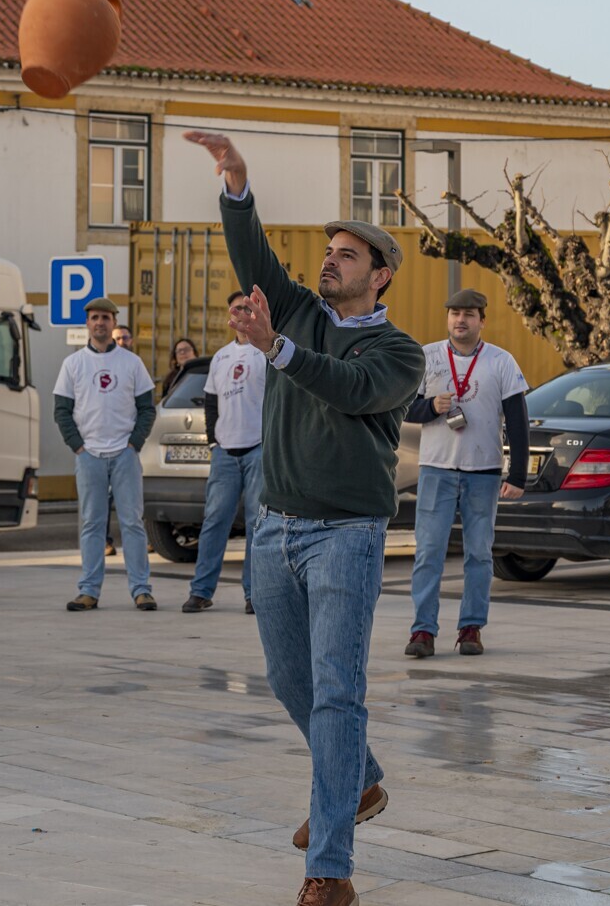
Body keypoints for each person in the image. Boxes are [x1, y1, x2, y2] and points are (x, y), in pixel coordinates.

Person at [188, 128, 424, 906]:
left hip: (346, 536)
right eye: (328, 251)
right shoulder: (295, 308)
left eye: (347, 255)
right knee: (288, 680)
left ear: (380, 275)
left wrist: (276, 350)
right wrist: (236, 183)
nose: (330, 261)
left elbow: (349, 389)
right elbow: (251, 255)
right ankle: (360, 779)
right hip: (274, 527)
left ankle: (329, 869)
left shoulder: (400, 353)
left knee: (337, 692)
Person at [403, 289, 530, 658]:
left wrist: (518, 476)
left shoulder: (501, 361)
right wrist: (430, 406)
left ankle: (471, 628)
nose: (461, 320)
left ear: (482, 321)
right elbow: (402, 408)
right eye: (455, 313)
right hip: (436, 469)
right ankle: (423, 631)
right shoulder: (427, 357)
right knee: (428, 552)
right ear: (447, 318)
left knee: (479, 553)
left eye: (469, 314)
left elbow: (518, 422)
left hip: (483, 471)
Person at [54, 297, 158, 612]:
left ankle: (141, 590)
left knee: (133, 524)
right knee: (91, 524)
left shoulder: (131, 363)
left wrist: (134, 443)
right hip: (89, 455)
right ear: (87, 323)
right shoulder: (73, 364)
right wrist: (77, 445)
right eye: (95, 317)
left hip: (125, 454)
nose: (100, 322)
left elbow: (147, 409)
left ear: (114, 322)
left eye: (105, 318)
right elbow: (62, 410)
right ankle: (88, 591)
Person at [183, 291, 266, 615]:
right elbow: (211, 403)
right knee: (215, 521)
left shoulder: (265, 353)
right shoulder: (220, 357)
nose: (241, 313)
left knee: (257, 524)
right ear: (229, 315)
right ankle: (201, 591)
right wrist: (213, 443)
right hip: (225, 454)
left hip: (258, 449)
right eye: (235, 309)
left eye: (247, 308)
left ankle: (254, 593)